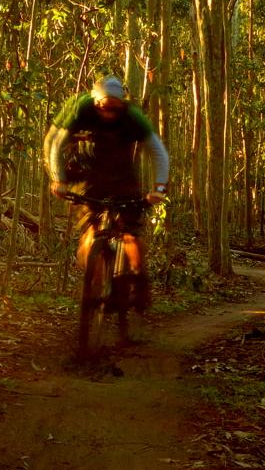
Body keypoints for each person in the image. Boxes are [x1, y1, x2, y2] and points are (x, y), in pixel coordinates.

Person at [42, 74, 169, 313]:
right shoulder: (81, 110)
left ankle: (138, 278)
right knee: (90, 234)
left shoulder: (132, 117)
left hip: (123, 176)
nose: (108, 113)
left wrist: (159, 188)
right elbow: (56, 143)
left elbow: (158, 152)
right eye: (103, 107)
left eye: (114, 108)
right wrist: (58, 179)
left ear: (122, 105)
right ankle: (95, 284)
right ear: (95, 101)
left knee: (131, 232)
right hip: (91, 173)